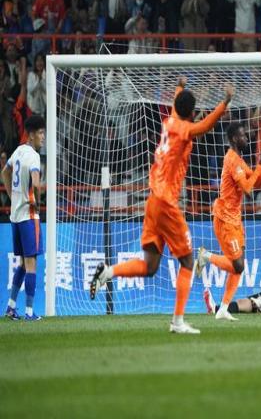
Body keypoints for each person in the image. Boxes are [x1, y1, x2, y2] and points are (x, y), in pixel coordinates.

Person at [90, 77, 234, 334]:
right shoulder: (184, 128)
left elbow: (179, 107)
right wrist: (224, 102)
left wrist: (180, 86)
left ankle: (108, 272)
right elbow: (204, 126)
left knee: (150, 266)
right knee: (188, 261)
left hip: (152, 201)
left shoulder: (169, 122)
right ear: (190, 111)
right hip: (167, 202)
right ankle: (177, 322)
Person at [194, 122, 261, 321]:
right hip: (225, 219)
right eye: (243, 135)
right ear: (235, 138)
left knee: (238, 266)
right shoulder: (232, 159)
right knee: (238, 265)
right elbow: (248, 190)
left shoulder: (239, 160)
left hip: (235, 219)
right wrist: (259, 167)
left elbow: (256, 183)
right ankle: (205, 256)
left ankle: (223, 308)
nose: (247, 138)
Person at [3, 115, 45, 321]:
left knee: (22, 263)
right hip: (29, 216)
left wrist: (13, 197)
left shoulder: (18, 151)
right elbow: (36, 183)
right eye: (40, 133)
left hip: (15, 216)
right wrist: (37, 201)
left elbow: (5, 172)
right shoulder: (34, 156)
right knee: (31, 263)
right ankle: (29, 312)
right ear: (31, 135)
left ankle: (11, 307)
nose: (43, 137)